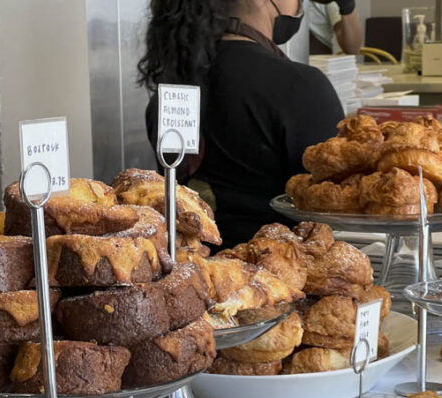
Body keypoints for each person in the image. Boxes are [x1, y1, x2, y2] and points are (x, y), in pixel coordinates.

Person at [138, 0, 344, 247]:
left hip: (189, 267)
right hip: (280, 267)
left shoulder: (170, 92)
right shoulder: (302, 87)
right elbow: (337, 207)